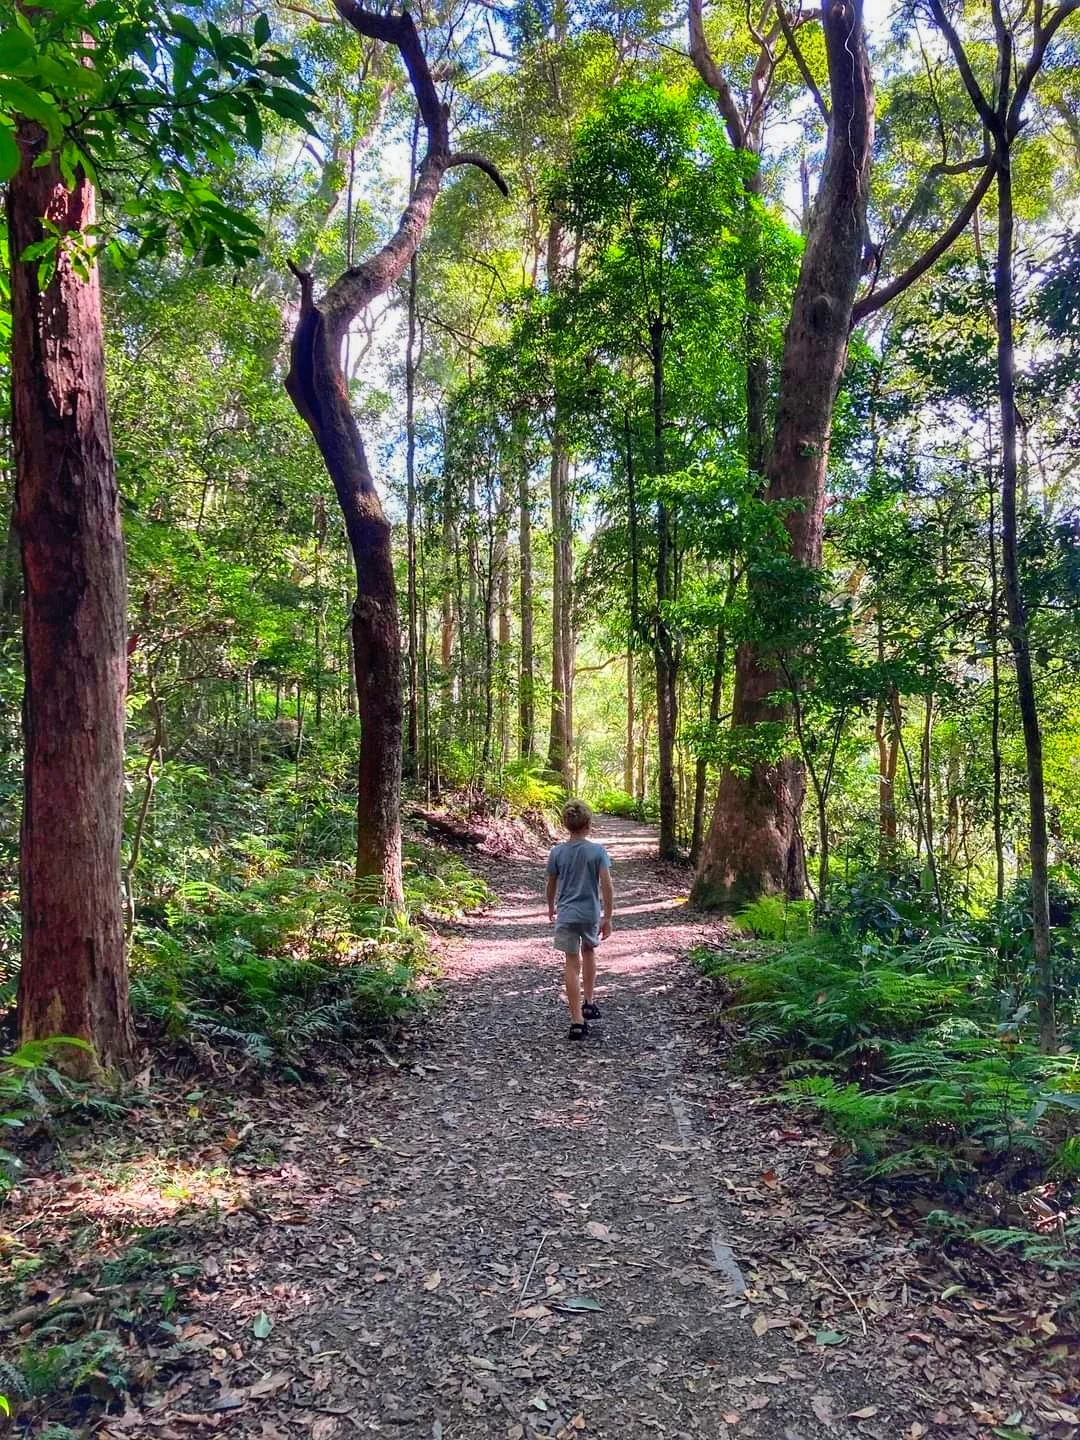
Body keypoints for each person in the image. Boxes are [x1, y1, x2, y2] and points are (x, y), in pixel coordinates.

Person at [545, 800, 614, 1040]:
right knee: (590, 952)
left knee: (571, 964)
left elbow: (551, 883)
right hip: (590, 913)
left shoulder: (557, 852)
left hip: (567, 913)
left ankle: (576, 1021)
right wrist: (608, 916)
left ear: (566, 824)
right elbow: (607, 886)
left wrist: (551, 907)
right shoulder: (598, 851)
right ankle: (589, 1001)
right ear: (589, 824)